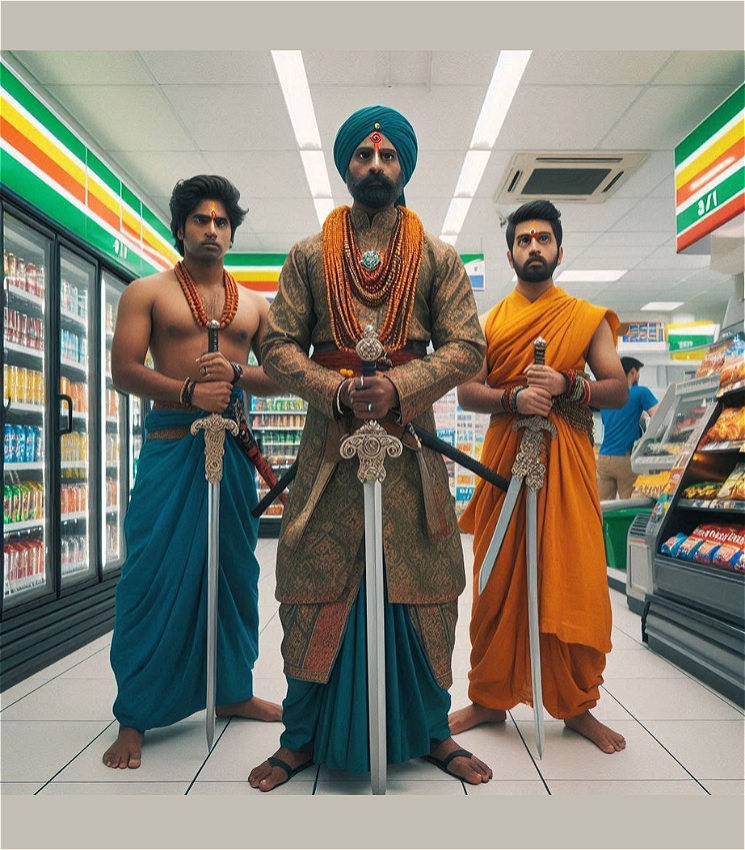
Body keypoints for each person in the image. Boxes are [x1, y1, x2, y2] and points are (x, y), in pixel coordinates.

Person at [248, 105, 493, 791]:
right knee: (311, 584)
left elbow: (468, 348)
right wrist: (335, 391)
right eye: (363, 155)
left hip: (410, 446)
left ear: (403, 166)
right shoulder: (305, 255)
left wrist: (399, 386)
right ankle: (299, 740)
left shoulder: (438, 258)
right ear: (346, 166)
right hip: (330, 450)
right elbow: (274, 344)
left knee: (425, 588)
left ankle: (432, 733)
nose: (376, 166)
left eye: (388, 156)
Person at [103, 174, 283, 769]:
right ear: (180, 228)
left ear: (232, 231)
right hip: (170, 446)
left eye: (222, 221)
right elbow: (124, 371)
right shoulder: (147, 292)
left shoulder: (255, 305)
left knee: (233, 571)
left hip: (231, 451)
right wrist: (186, 389)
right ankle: (136, 713)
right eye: (200, 220)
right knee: (152, 573)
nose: (212, 229)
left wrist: (234, 377)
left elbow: (284, 374)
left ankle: (230, 690)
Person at [449, 199, 629, 754]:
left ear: (558, 248)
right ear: (509, 253)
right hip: (505, 461)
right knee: (498, 581)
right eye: (524, 240)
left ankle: (577, 705)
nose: (533, 247)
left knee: (572, 576)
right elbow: (467, 391)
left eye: (543, 239)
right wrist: (515, 396)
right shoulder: (489, 323)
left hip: (567, 461)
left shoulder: (586, 317)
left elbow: (617, 388)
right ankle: (489, 697)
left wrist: (568, 388)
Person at [597, 356, 659, 500]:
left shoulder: (608, 395)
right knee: (629, 504)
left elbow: (616, 419)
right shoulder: (640, 392)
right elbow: (659, 416)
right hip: (624, 459)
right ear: (632, 372)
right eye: (638, 372)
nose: (638, 375)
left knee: (604, 507)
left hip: (604, 458)